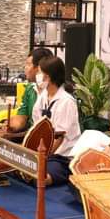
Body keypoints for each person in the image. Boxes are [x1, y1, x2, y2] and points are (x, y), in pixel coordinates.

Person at [32, 56, 81, 185]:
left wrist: (42, 157)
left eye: (39, 72)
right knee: (16, 167)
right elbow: (36, 126)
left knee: (39, 178)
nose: (37, 75)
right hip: (43, 151)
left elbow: (59, 137)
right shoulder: (43, 96)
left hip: (62, 156)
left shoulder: (67, 102)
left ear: (48, 77)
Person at [8, 48, 53, 133]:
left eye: (28, 64)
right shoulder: (29, 89)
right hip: (32, 135)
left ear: (40, 68)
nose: (25, 68)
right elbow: (22, 116)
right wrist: (11, 124)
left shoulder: (54, 92)